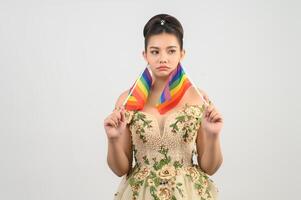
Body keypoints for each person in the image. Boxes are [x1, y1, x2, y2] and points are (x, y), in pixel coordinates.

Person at [104, 13, 224, 200]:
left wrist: (214, 135)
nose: (163, 58)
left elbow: (210, 167)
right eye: (155, 51)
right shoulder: (127, 100)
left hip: (188, 193)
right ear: (145, 55)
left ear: (182, 54)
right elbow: (120, 169)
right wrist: (112, 139)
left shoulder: (199, 99)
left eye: (171, 51)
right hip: (141, 194)